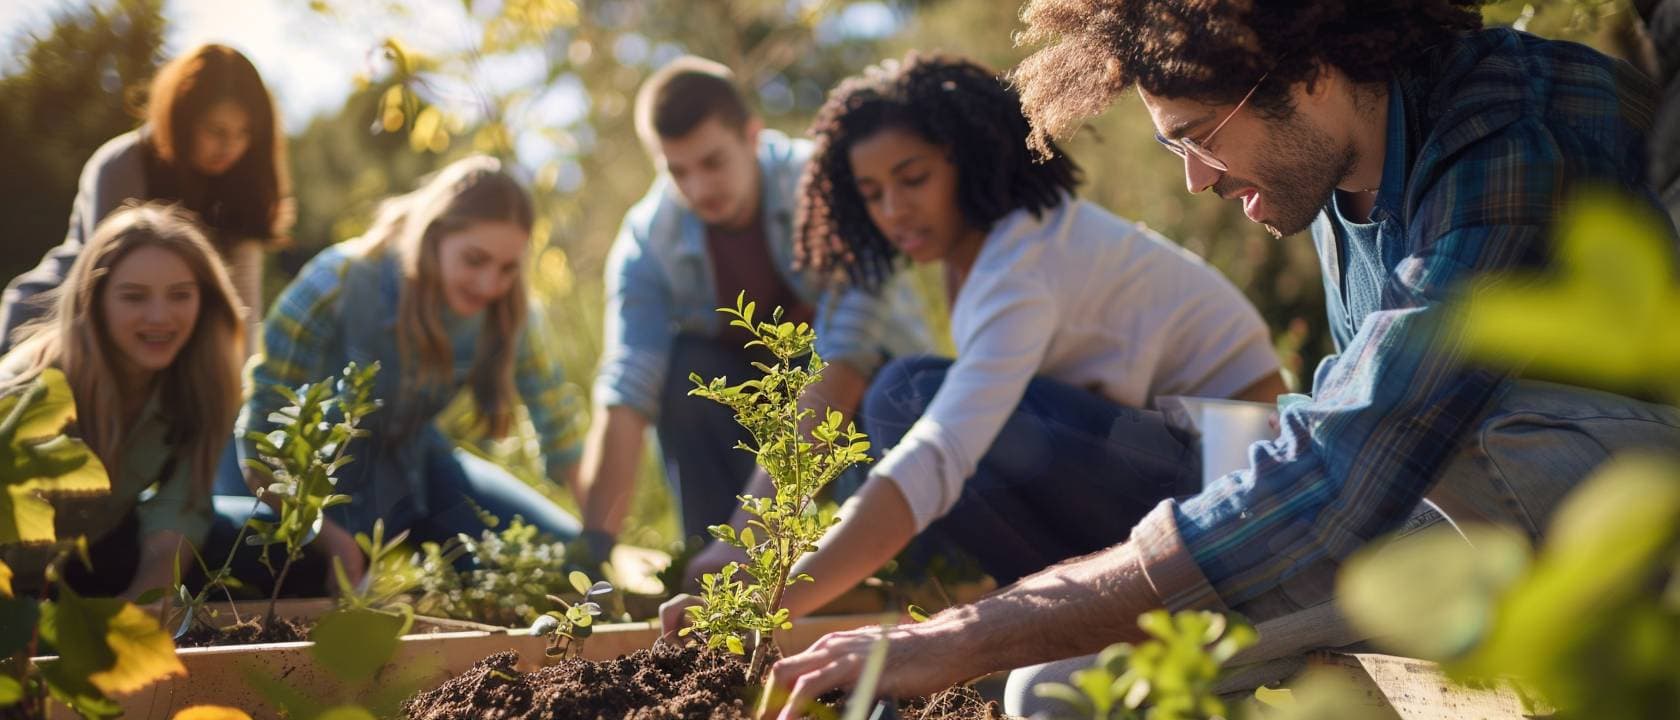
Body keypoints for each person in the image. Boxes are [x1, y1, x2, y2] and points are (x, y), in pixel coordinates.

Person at [758, 3, 1680, 718]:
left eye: (1198, 133)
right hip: (1455, 508)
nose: (1194, 177)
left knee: (1486, 428)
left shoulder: (1505, 135)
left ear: (1313, 73)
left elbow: (1351, 462)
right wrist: (1005, 637)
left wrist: (967, 633)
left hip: (1619, 490)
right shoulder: (1330, 169)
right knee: (1054, 691)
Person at [668, 52, 1286, 622]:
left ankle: (1075, 616)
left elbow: (941, 452)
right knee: (914, 409)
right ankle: (1041, 606)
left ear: (968, 156)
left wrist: (766, 603)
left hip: (1237, 486)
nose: (893, 210)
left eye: (913, 178)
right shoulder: (979, 256)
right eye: (873, 193)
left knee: (905, 397)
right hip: (1174, 461)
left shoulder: (1022, 259)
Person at [578, 56, 929, 564]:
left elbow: (846, 361)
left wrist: (754, 535)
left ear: (752, 136)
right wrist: (592, 553)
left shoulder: (838, 187)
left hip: (868, 400)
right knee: (684, 375)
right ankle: (712, 571)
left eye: (713, 162)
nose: (699, 188)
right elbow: (628, 390)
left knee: (894, 392)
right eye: (677, 171)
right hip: (759, 418)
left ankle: (897, 564)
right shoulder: (648, 241)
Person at [220, 155, 583, 586]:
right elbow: (258, 443)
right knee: (253, 570)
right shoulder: (334, 285)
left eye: (507, 269)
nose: (490, 285)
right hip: (302, 488)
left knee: (568, 563)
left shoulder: (509, 311)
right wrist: (327, 538)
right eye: (474, 260)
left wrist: (600, 538)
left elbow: (558, 429)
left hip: (415, 470)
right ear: (434, 236)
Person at [0, 203, 245, 600]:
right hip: (11, 586)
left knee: (261, 544)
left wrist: (136, 617)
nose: (160, 317)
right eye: (134, 297)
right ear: (93, 302)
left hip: (91, 560)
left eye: (180, 295)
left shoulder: (202, 382)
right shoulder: (25, 392)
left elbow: (179, 512)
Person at [0, 43, 291, 355]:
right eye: (216, 130)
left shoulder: (241, 188)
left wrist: (239, 390)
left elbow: (241, 311)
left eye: (244, 133)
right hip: (51, 334)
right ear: (182, 119)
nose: (230, 146)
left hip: (155, 344)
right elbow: (107, 294)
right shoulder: (122, 165)